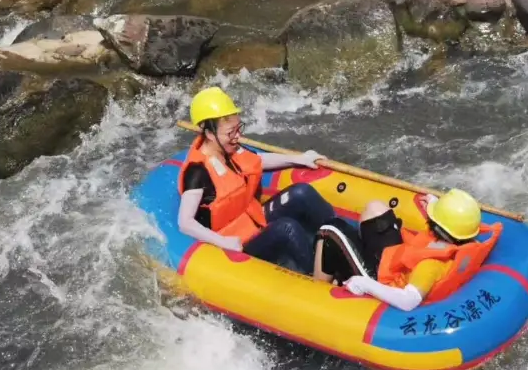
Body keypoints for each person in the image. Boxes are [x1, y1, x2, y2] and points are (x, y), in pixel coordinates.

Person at [177, 86, 338, 274]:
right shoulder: (197, 172)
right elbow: (185, 222)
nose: (238, 136)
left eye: (238, 129)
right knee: (287, 228)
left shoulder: (228, 148)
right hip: (235, 243)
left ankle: (341, 241)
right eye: (231, 132)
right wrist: (223, 242)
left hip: (252, 220)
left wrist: (299, 159)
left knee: (301, 193)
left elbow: (256, 161)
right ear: (210, 134)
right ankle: (322, 279)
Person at [312, 188, 502, 311]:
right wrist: (436, 205)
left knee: (331, 229)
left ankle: (315, 288)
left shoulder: (431, 265)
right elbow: (454, 226)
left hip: (381, 279)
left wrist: (365, 284)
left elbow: (408, 301)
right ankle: (347, 261)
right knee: (375, 208)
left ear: (439, 227)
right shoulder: (462, 240)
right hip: (394, 261)